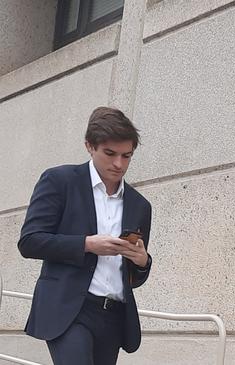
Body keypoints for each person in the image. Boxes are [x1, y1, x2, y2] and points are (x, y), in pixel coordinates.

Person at [18, 107, 153, 365]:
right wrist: (87, 244)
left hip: (114, 316)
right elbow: (29, 241)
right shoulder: (60, 181)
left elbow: (132, 279)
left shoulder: (140, 205)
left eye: (127, 156)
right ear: (89, 146)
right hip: (70, 311)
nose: (119, 164)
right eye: (110, 154)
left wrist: (142, 262)